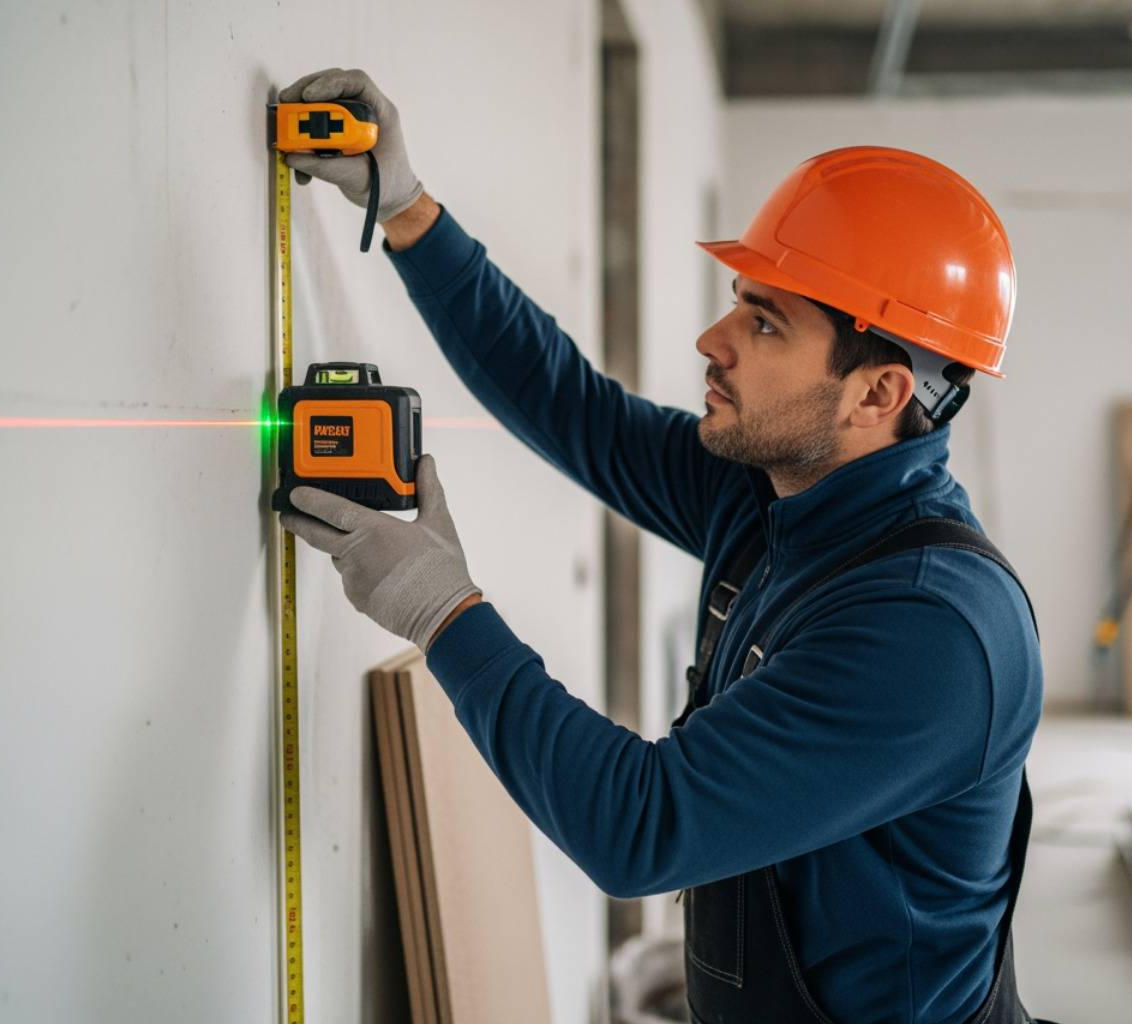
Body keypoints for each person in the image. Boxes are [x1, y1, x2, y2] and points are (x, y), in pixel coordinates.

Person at [278, 68, 1044, 1024]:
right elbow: (575, 408)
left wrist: (444, 612)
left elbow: (643, 828)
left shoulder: (934, 632)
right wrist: (407, 210)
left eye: (764, 324)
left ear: (878, 394)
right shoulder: (778, 490)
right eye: (739, 301)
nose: (711, 339)